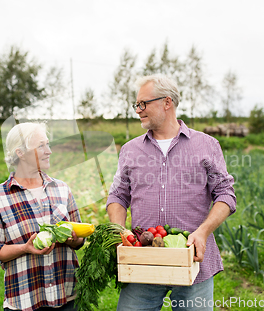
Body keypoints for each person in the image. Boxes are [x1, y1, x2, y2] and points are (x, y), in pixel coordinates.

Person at [106, 74, 237, 311]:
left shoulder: (206, 145)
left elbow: (226, 195)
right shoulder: (130, 150)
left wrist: (203, 232)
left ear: (167, 102)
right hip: (143, 262)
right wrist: (120, 231)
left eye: (143, 103)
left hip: (192, 261)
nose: (138, 110)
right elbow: (117, 195)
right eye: (137, 104)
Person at [0, 122, 84, 311]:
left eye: (48, 144)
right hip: (25, 300)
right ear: (20, 153)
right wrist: (25, 248)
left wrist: (74, 240)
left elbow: (79, 239)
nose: (49, 151)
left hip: (67, 296)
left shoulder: (62, 189)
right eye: (41, 146)